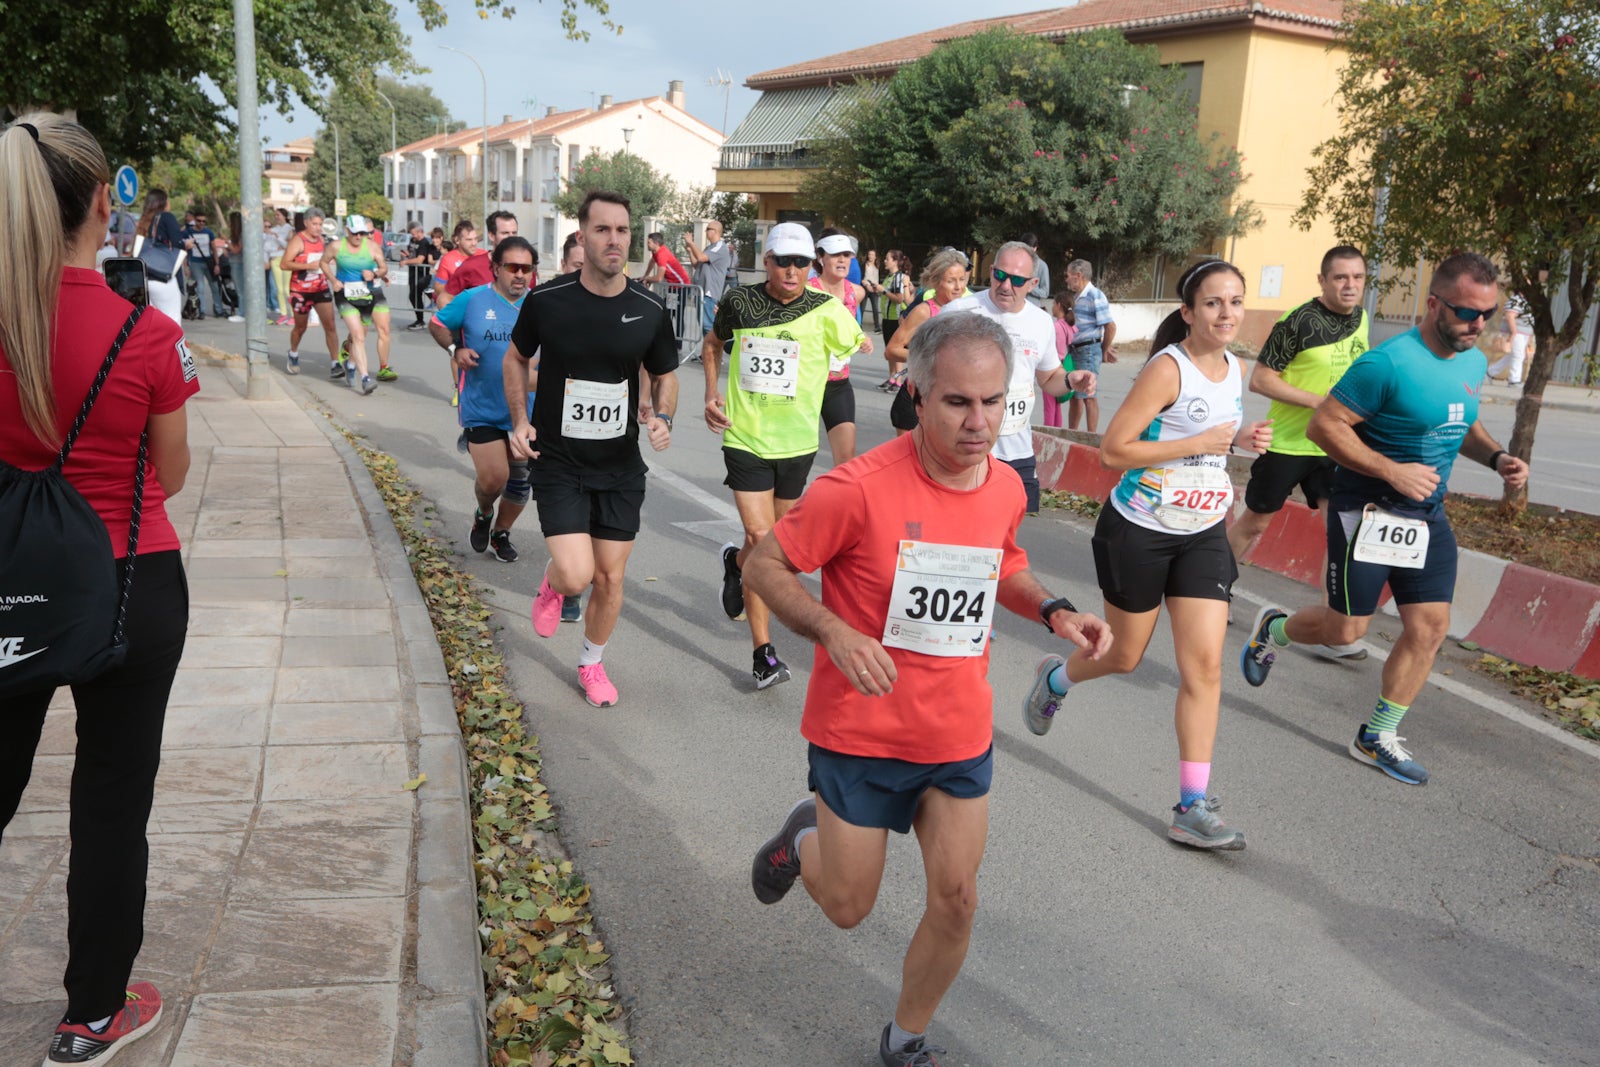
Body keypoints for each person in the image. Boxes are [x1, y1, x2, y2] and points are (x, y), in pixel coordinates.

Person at [742, 311, 1112, 1067]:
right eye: (957, 402)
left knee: (958, 897)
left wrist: (1054, 609)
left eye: (995, 402)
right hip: (861, 734)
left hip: (955, 733)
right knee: (848, 907)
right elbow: (763, 567)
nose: (979, 422)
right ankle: (801, 837)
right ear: (915, 391)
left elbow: (1002, 561)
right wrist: (833, 632)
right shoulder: (857, 489)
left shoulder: (1005, 485)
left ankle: (905, 1039)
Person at [0, 112, 199, 1067]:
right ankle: (91, 1015)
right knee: (112, 800)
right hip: (129, 583)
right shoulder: (147, 335)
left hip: (8, 586)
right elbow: (173, 475)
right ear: (100, 205)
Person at [1241, 252, 1530, 786]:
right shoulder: (1387, 363)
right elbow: (1325, 427)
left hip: (1426, 513)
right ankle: (1274, 630)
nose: (1479, 325)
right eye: (1468, 312)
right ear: (1434, 303)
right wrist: (1393, 472)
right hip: (1368, 510)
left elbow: (1459, 420)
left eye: (1488, 313)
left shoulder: (1470, 359)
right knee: (1344, 628)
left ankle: (1377, 735)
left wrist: (1495, 458)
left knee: (1430, 627)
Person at [1023, 259, 1273, 850]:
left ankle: (1192, 805)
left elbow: (1209, 441)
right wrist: (1203, 441)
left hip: (1205, 530)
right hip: (1139, 528)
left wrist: (1234, 442)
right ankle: (1056, 678)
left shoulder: (1235, 367)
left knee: (1205, 667)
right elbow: (1113, 451)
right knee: (1124, 657)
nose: (1227, 313)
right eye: (1213, 303)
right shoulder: (1168, 369)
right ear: (1188, 313)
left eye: (1235, 302)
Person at [504, 191, 679, 708]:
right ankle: (555, 582)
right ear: (583, 235)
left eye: (623, 230)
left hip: (621, 464)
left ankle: (591, 663)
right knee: (578, 574)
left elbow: (666, 374)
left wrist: (664, 416)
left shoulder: (649, 309)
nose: (614, 240)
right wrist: (519, 420)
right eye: (602, 230)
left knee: (610, 576)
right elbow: (516, 360)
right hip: (558, 461)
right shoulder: (547, 301)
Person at [701, 222, 865, 689]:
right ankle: (762, 652)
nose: (791, 271)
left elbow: (850, 357)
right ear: (766, 261)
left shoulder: (829, 309)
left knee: (773, 550)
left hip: (797, 444)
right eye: (782, 261)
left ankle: (737, 564)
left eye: (800, 263)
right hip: (745, 437)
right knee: (761, 533)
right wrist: (712, 392)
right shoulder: (740, 302)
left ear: (810, 267)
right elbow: (713, 344)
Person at [1226, 245, 1372, 662]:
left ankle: (1332, 627)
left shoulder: (1361, 320)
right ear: (1323, 280)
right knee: (1254, 524)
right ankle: (1215, 591)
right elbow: (1260, 380)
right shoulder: (1298, 322)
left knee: (1340, 531)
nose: (1349, 285)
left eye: (1357, 277)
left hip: (1335, 444)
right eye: (1341, 277)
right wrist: (1317, 402)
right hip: (1289, 442)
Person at [939, 241, 1097, 514]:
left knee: (1007, 532)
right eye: (1000, 275)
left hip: (1015, 450)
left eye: (1017, 280)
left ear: (1033, 283)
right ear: (990, 271)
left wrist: (1072, 379)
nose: (1005, 285)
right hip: (964, 446)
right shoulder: (957, 314)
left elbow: (1049, 379)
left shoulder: (1040, 322)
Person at [429, 236, 537, 563]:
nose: (519, 274)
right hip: (482, 406)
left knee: (519, 484)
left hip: (527, 411)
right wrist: (455, 349)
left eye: (527, 268)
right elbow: (437, 325)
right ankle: (484, 511)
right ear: (495, 269)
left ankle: (501, 532)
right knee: (494, 478)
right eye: (512, 267)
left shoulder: (541, 305)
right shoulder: (472, 299)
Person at [884, 250, 971, 437]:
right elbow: (892, 350)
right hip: (917, 399)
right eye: (951, 281)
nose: (958, 287)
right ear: (936, 281)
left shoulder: (968, 310)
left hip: (949, 400)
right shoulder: (924, 311)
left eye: (962, 279)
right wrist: (930, 358)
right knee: (913, 464)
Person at [808, 229, 875, 465]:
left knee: (846, 459)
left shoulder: (855, 292)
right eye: (836, 255)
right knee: (797, 460)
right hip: (807, 383)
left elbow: (848, 325)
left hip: (838, 383)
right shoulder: (807, 291)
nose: (842, 260)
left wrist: (861, 336)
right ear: (820, 257)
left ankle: (839, 502)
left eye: (847, 255)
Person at [321, 214, 392, 391]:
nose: (359, 237)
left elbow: (384, 268)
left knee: (361, 334)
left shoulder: (372, 247)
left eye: (362, 233)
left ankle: (351, 365)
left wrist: (375, 274)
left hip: (367, 296)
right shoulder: (336, 246)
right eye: (355, 233)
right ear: (347, 231)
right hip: (344, 295)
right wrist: (333, 280)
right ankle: (366, 378)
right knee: (358, 335)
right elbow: (323, 262)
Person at [281, 207, 341, 377]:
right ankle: (293, 353)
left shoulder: (322, 240)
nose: (318, 227)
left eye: (320, 224)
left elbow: (327, 259)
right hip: (301, 291)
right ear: (306, 223)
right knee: (300, 327)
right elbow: (284, 264)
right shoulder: (298, 241)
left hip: (320, 288)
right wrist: (308, 266)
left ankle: (335, 363)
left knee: (330, 326)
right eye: (314, 224)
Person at [1064, 258, 1117, 432]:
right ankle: (1072, 433)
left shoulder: (1095, 295)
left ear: (1078, 276)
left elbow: (1109, 325)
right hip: (1077, 350)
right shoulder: (1077, 297)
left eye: (1068, 276)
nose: (1066, 279)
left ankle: (1091, 436)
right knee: (1075, 394)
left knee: (1088, 395)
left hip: (1088, 350)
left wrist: (1103, 349)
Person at [132, 189, 189, 325]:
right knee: (173, 322)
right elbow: (177, 243)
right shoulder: (166, 217)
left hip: (144, 278)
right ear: (164, 202)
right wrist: (187, 244)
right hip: (163, 277)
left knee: (150, 322)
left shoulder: (144, 220)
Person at [444, 210, 520, 301]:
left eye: (514, 233)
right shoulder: (472, 266)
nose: (511, 237)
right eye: (505, 233)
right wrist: (461, 315)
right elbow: (444, 298)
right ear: (491, 236)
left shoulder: (526, 268)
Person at [683, 219, 733, 339]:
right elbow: (697, 264)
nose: (705, 231)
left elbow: (700, 257)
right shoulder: (711, 247)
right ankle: (706, 354)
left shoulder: (720, 247)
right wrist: (690, 251)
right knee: (704, 326)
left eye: (708, 229)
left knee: (709, 326)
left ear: (715, 231)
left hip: (709, 293)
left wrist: (692, 243)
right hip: (701, 292)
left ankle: (713, 355)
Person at [181, 210, 225, 320]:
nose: (201, 223)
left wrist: (217, 264)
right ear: (194, 221)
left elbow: (214, 248)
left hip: (208, 261)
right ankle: (202, 311)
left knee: (214, 286)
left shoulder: (208, 232)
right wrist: (185, 267)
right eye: (199, 221)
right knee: (200, 286)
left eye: (203, 221)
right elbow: (185, 251)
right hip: (195, 262)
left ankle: (219, 309)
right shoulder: (188, 232)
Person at [1043, 291, 1078, 428]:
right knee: (1056, 405)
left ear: (1058, 305)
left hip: (1053, 369)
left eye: (1053, 304)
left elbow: (1055, 351)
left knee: (1049, 406)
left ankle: (1048, 433)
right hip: (1064, 367)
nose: (1052, 307)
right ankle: (1056, 431)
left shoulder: (1057, 327)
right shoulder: (1068, 326)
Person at [878, 249, 912, 388]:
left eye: (888, 259)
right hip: (887, 317)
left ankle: (898, 381)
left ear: (896, 262)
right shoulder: (889, 277)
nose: (885, 261)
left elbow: (899, 299)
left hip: (896, 318)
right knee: (889, 350)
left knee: (896, 350)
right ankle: (892, 378)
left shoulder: (899, 277)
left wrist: (883, 291)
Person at [433, 219, 482, 311]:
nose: (474, 243)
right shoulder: (448, 259)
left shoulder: (484, 255)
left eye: (476, 239)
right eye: (469, 240)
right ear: (457, 240)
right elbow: (438, 287)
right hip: (459, 309)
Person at [1486, 291, 1533, 385]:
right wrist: (1514, 332)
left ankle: (1489, 373)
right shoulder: (1515, 300)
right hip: (1516, 332)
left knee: (1514, 355)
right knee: (1518, 355)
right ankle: (1514, 380)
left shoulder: (1528, 300)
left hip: (1524, 333)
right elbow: (1510, 316)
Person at [401, 222, 439, 330]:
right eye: (411, 234)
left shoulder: (424, 243)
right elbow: (413, 254)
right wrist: (407, 255)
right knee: (415, 296)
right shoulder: (413, 241)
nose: (412, 236)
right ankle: (420, 320)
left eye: (414, 233)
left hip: (422, 273)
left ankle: (424, 319)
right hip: (413, 272)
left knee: (418, 295)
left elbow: (420, 259)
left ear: (420, 232)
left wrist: (406, 261)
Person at [269, 207, 294, 324]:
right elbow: (270, 246)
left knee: (287, 289)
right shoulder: (273, 229)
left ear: (284, 216)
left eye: (278, 215)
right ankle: (283, 314)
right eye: (275, 215)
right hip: (275, 259)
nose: (276, 217)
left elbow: (289, 245)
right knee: (278, 289)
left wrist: (278, 239)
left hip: (286, 259)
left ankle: (293, 314)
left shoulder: (290, 229)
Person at [1019, 232, 1050, 310]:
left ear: (1035, 248)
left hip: (1032, 308)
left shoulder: (1042, 266)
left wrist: (1028, 287)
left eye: (1029, 248)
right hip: (1015, 306)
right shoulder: (1017, 262)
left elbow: (1045, 293)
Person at [860, 248, 882, 330]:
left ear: (875, 256)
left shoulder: (877, 266)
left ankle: (877, 326)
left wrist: (877, 287)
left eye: (872, 255)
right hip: (866, 287)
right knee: (862, 307)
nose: (870, 256)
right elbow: (862, 277)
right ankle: (859, 324)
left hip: (874, 288)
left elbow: (878, 278)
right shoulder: (864, 265)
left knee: (875, 308)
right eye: (869, 254)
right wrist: (866, 285)